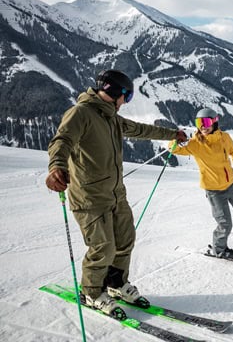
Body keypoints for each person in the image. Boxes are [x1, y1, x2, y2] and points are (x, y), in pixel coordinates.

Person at [45, 69, 188, 319]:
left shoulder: (111, 117)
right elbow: (61, 141)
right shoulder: (81, 113)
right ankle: (91, 292)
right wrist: (56, 166)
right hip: (89, 199)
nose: (126, 103)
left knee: (125, 240)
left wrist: (171, 135)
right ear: (116, 93)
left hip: (115, 195)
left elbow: (140, 130)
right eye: (127, 98)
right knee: (103, 248)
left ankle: (116, 284)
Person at [171, 107, 233, 259]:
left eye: (206, 122)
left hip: (231, 183)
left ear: (215, 122)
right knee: (225, 223)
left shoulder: (225, 137)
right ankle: (219, 249)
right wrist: (176, 140)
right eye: (199, 122)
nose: (202, 126)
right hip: (214, 190)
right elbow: (174, 150)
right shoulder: (195, 144)